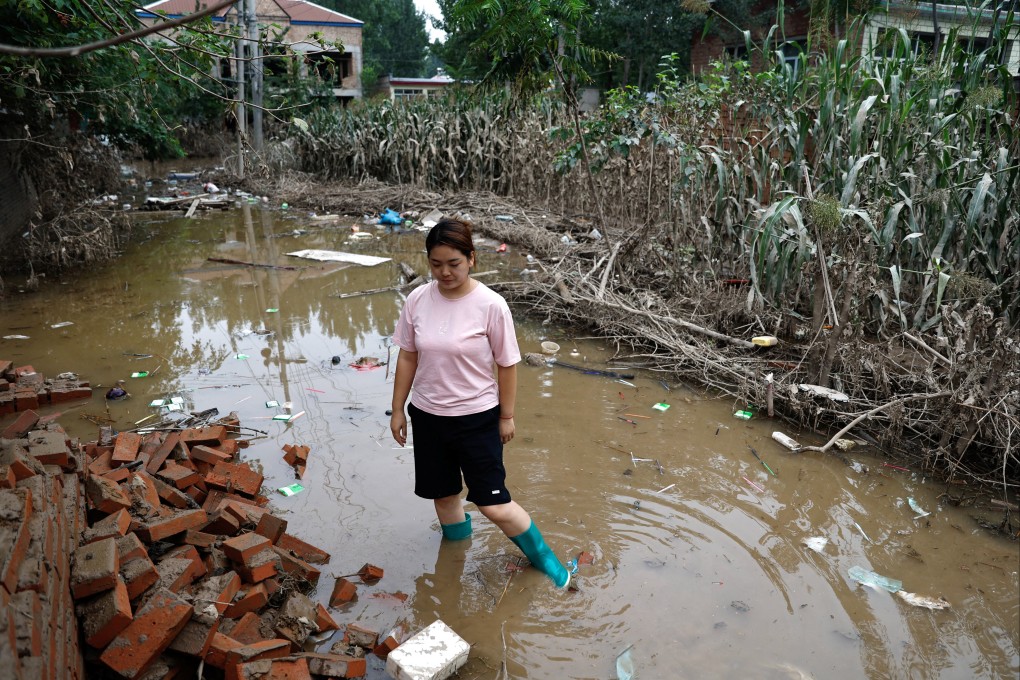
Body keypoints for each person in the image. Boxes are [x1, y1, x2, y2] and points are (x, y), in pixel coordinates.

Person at [390, 218, 570, 590]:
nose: (444, 272)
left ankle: (550, 563)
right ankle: (454, 559)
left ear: (471, 258)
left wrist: (506, 416)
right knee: (442, 495)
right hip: (427, 416)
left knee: (493, 503)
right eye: (436, 264)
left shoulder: (491, 305)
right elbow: (408, 356)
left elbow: (507, 364)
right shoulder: (417, 300)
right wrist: (397, 409)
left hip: (477, 418)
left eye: (453, 263)